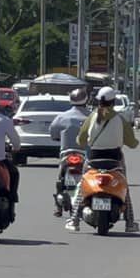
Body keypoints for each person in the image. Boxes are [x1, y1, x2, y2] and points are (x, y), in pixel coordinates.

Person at [69, 85, 139, 233]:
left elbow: (81, 140)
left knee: (82, 184)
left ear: (98, 101)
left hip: (93, 160)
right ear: (113, 101)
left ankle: (74, 220)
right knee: (124, 188)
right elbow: (132, 143)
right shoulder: (120, 119)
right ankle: (130, 222)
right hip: (114, 161)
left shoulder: (92, 117)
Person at [47, 88, 93, 217]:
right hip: (86, 155)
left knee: (60, 177)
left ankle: (58, 207)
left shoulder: (62, 117)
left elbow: (53, 133)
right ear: (87, 100)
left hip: (67, 154)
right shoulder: (92, 117)